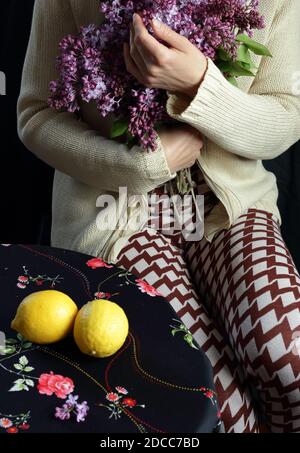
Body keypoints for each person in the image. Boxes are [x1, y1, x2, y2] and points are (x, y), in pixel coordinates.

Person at [17, 0, 300, 432]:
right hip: (117, 214)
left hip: (227, 206)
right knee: (210, 399)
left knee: (288, 362)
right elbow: (36, 114)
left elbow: (286, 115)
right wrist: (146, 164)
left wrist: (200, 85)